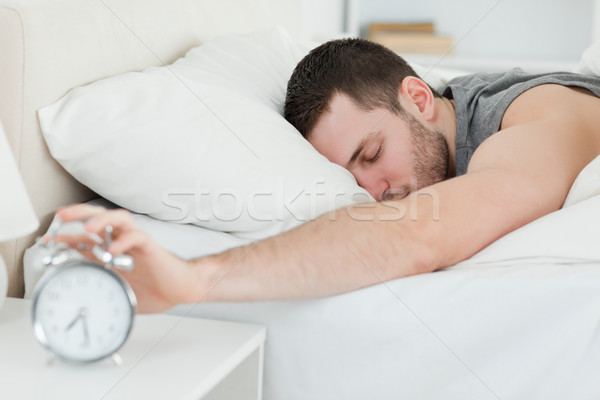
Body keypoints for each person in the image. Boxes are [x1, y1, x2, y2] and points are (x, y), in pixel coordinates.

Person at [57, 38, 600, 314]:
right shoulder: (447, 113)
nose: (373, 191)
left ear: (417, 96)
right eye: (350, 174)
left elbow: (418, 234)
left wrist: (195, 278)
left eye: (370, 152)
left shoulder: (535, 119)